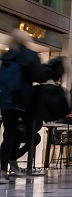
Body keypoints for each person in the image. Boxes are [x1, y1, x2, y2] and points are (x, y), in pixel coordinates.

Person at [0, 29, 54, 183]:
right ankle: (29, 168)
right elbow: (39, 76)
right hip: (24, 100)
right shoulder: (29, 55)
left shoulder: (6, 56)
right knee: (31, 132)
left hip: (6, 101)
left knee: (9, 135)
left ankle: (3, 171)